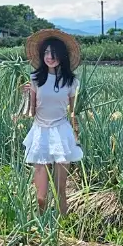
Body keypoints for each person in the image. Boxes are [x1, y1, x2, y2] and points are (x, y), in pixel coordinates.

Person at [19, 29, 83, 216]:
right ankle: (41, 227)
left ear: (61, 56)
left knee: (60, 191)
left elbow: (73, 112)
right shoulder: (35, 79)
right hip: (40, 134)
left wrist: (77, 132)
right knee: (41, 195)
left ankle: (63, 231)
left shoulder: (71, 81)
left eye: (54, 53)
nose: (50, 57)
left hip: (62, 133)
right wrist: (24, 96)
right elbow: (32, 112)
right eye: (46, 52)